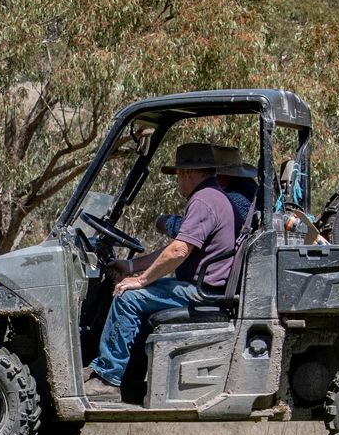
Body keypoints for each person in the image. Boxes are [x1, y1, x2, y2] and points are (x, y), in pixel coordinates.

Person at [85, 141, 245, 403]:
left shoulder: (203, 201)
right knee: (135, 292)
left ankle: (107, 379)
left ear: (187, 174)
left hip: (200, 292)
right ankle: (130, 379)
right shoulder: (213, 196)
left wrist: (140, 280)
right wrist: (133, 267)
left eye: (178, 176)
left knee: (127, 297)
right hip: (204, 287)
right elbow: (174, 248)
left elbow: (178, 252)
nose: (178, 182)